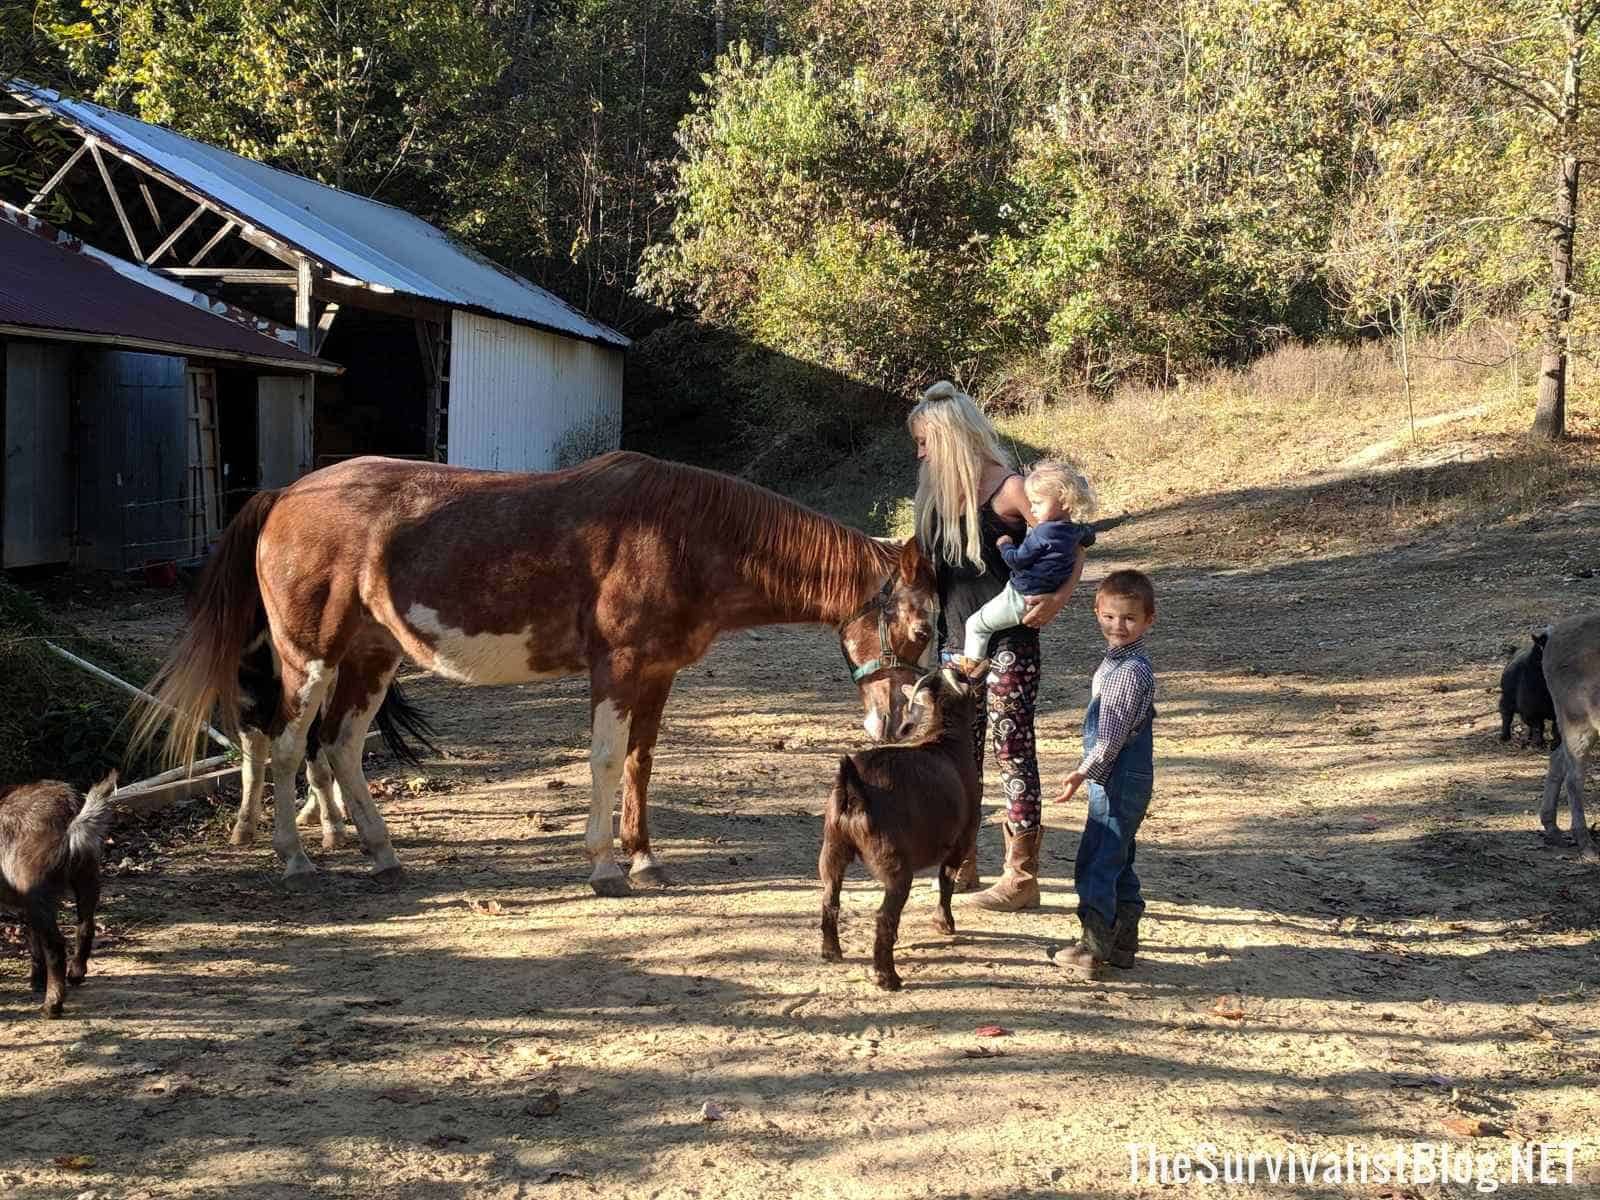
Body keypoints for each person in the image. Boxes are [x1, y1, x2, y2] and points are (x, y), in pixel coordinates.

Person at [908, 380, 1088, 911]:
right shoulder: (934, 494)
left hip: (1009, 643)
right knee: (958, 751)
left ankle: (1021, 877)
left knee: (1010, 750)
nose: (920, 453)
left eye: (925, 441)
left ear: (952, 437)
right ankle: (961, 859)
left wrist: (1059, 597)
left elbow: (1071, 540)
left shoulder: (1010, 489)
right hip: (954, 644)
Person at [1054, 569, 1158, 973]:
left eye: (1130, 618)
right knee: (1120, 856)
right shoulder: (1126, 663)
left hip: (1117, 776)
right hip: (1127, 776)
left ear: (1149, 619)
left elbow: (1110, 739)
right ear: (1096, 611)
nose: (1118, 626)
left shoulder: (1127, 673)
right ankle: (1124, 941)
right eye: (1110, 616)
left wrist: (1082, 772)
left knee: (1097, 857)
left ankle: (1093, 946)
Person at [963, 461, 1097, 660]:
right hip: (1041, 593)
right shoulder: (1076, 531)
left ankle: (970, 666)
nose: (1032, 509)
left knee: (976, 625)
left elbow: (1017, 560)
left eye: (1038, 503)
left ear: (1064, 501)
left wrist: (1005, 545)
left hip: (1022, 595)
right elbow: (1089, 537)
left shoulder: (1043, 532)